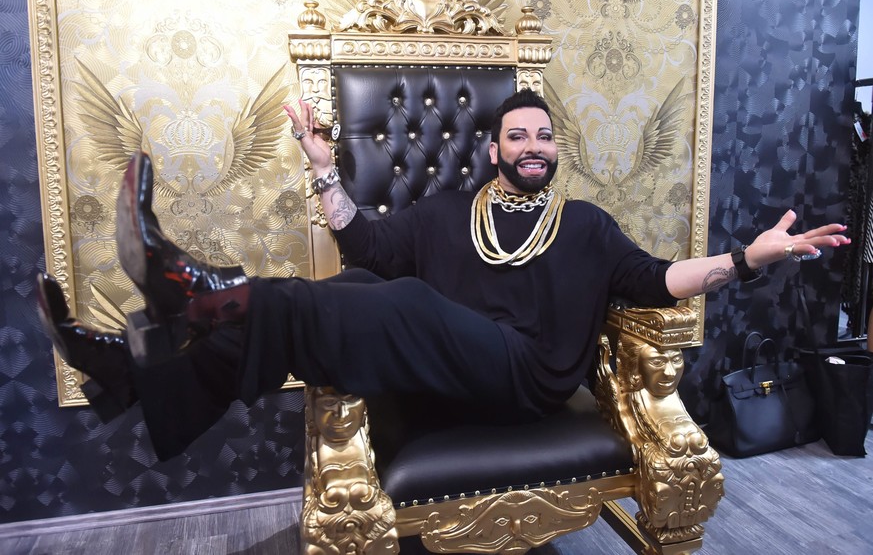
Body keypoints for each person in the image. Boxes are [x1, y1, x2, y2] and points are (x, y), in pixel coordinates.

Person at [36, 89, 850, 460]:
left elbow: (657, 279)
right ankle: (134, 371)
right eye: (517, 135)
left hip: (520, 377)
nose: (532, 144)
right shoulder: (445, 212)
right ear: (495, 150)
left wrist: (747, 257)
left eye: (544, 136)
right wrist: (323, 170)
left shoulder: (588, 227)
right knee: (356, 290)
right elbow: (369, 247)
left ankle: (199, 296)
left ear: (554, 151)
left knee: (407, 301)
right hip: (439, 366)